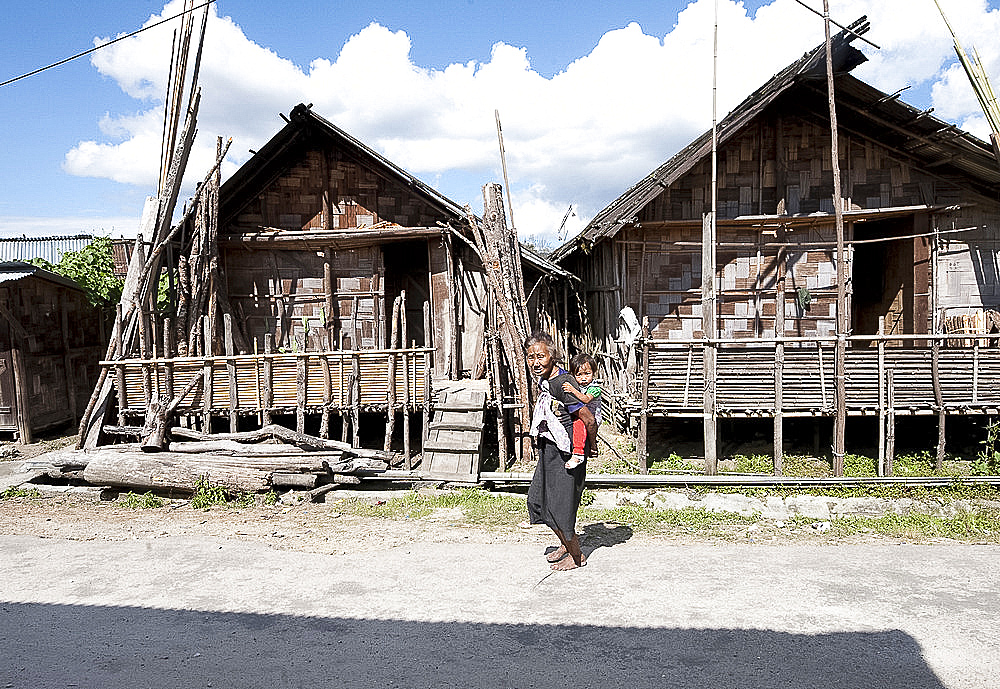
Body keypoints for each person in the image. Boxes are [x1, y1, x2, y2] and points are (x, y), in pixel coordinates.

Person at [524, 331, 597, 571]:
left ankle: (577, 556)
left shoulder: (564, 384)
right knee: (537, 500)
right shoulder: (545, 379)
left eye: (541, 356)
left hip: (567, 453)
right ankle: (565, 544)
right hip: (550, 448)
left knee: (560, 506)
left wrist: (590, 447)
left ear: (552, 356)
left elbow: (588, 419)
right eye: (531, 357)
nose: (535, 362)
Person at [562, 353, 602, 470]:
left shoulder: (595, 388)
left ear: (593, 372)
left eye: (587, 374)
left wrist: (572, 390)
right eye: (579, 375)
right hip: (580, 413)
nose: (583, 378)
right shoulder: (578, 385)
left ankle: (578, 454)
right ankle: (592, 448)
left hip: (592, 417)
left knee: (579, 424)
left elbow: (585, 399)